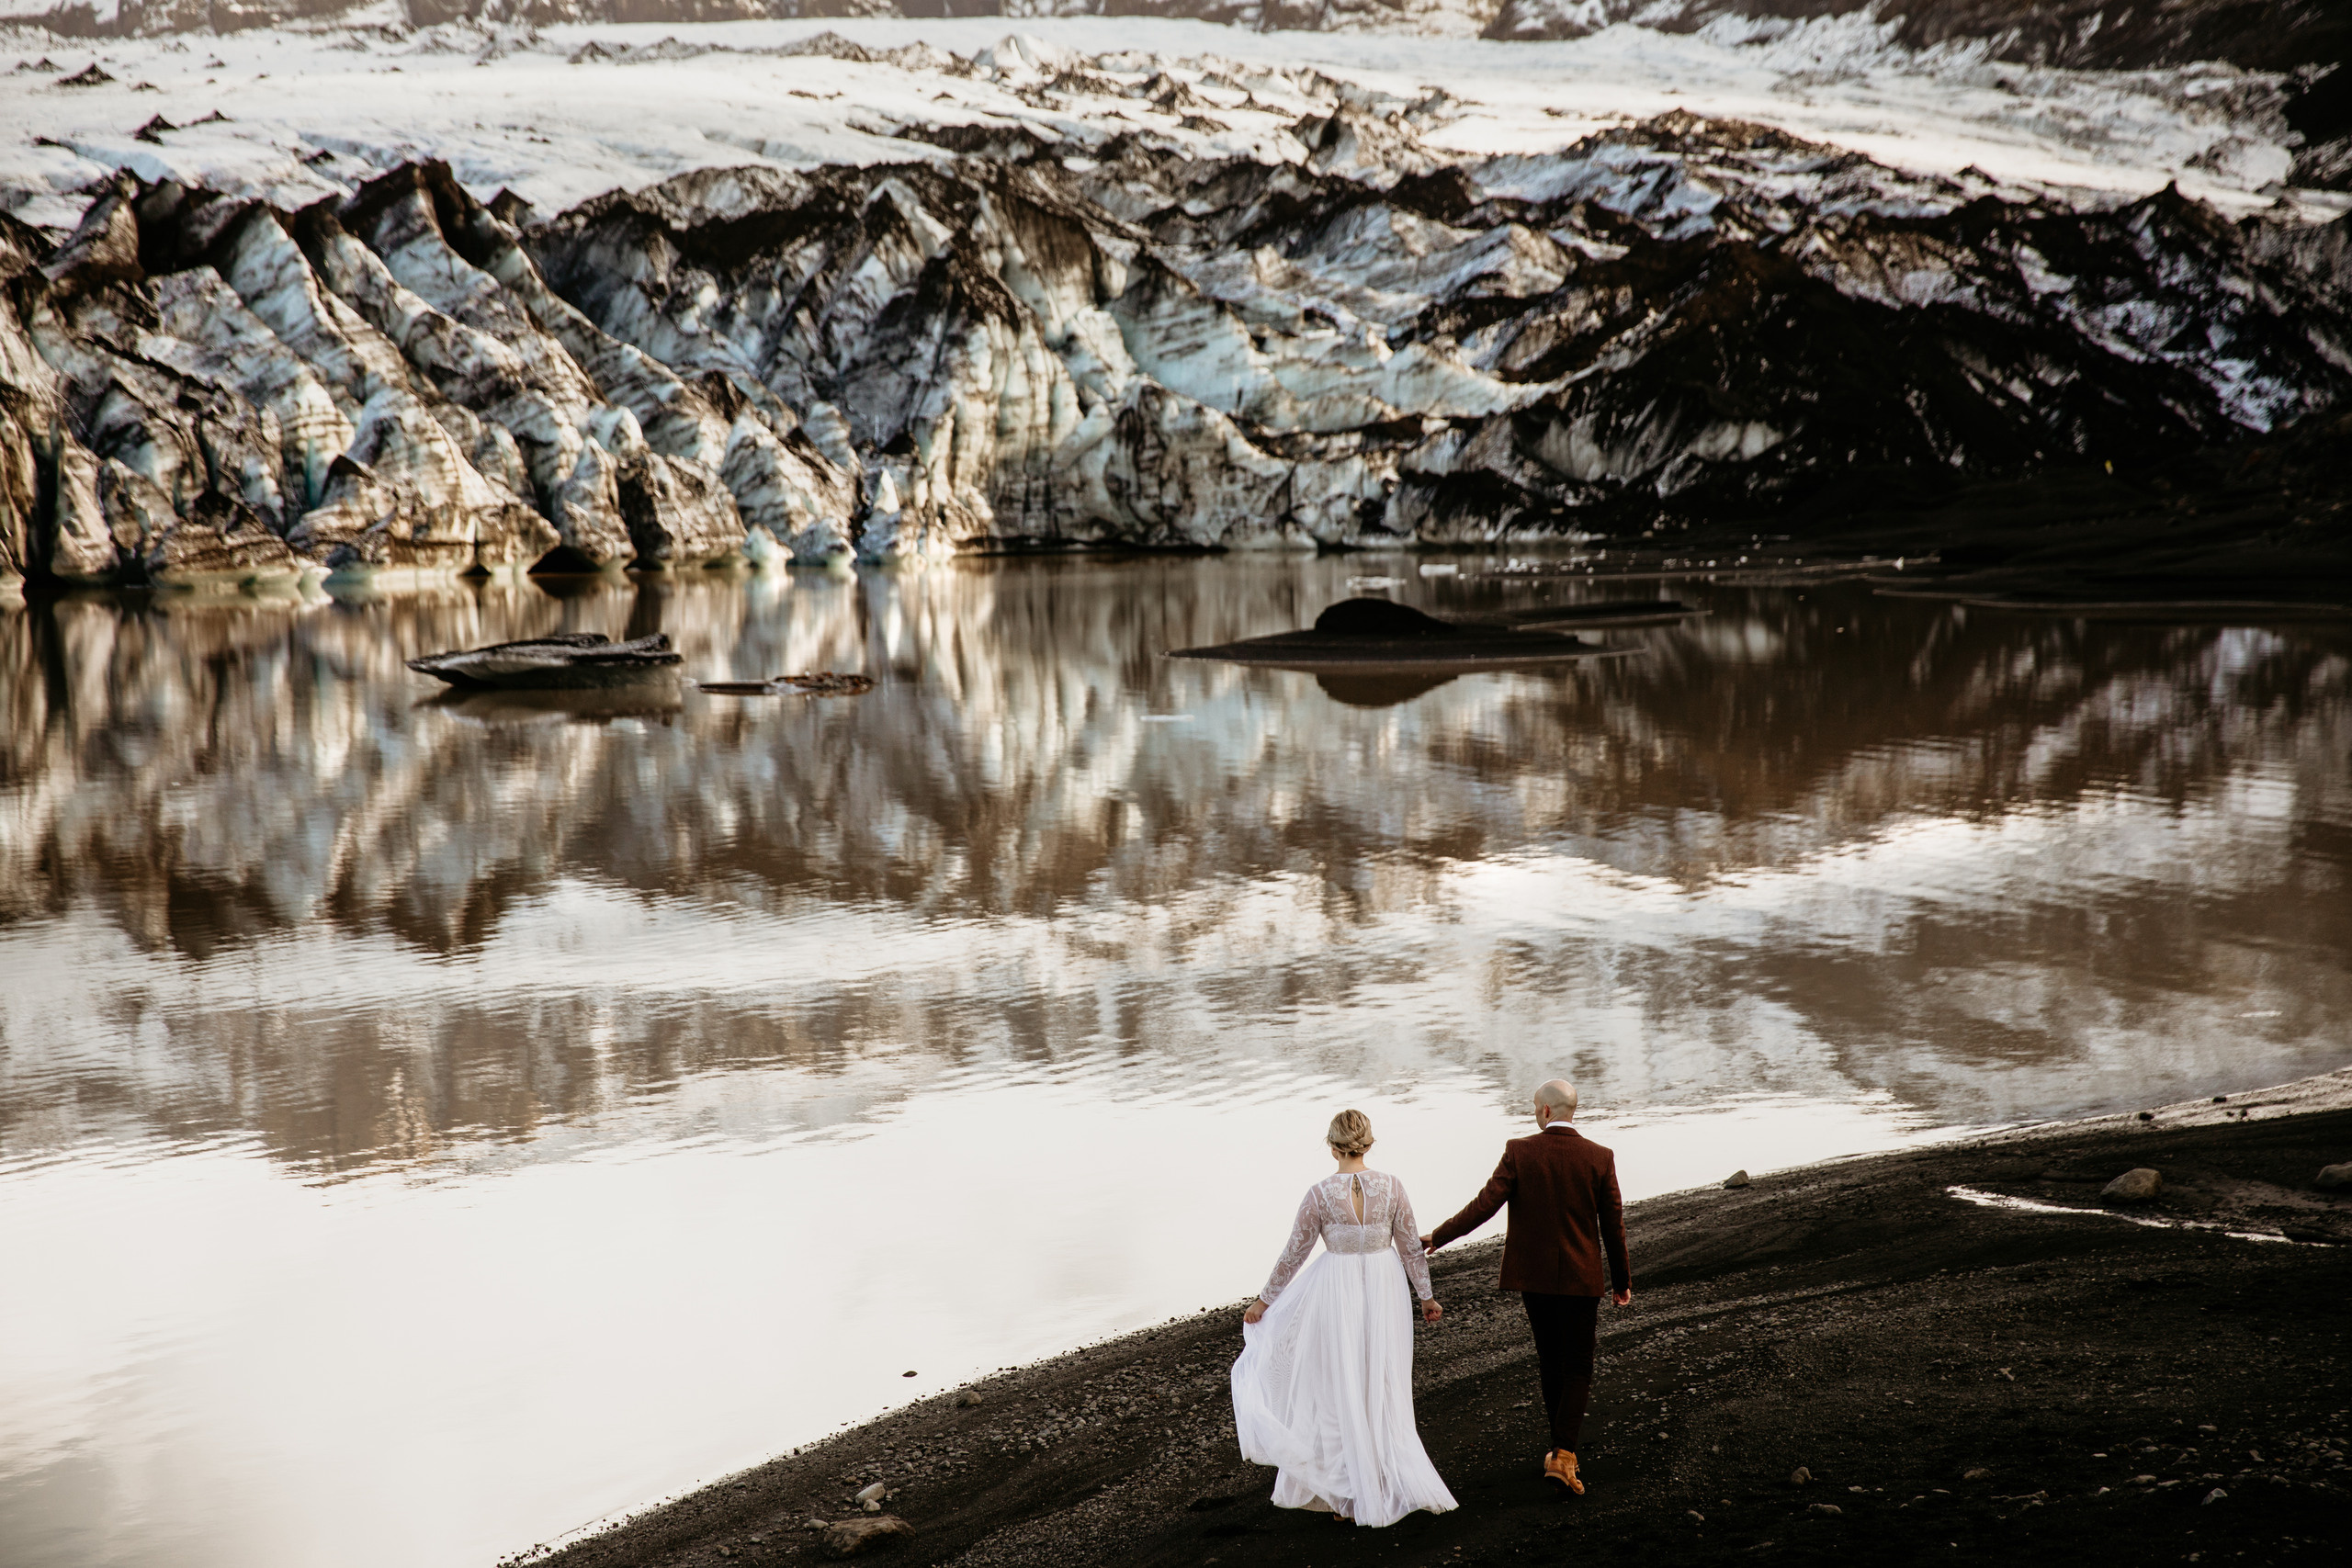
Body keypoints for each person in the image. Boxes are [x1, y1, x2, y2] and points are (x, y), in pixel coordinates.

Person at [1229, 1109, 1458, 1527]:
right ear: (1368, 1144)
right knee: (1383, 1379)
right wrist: (1426, 1296)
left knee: (1340, 1382)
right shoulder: (1392, 1186)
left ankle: (1348, 1489)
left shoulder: (1319, 1194)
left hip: (1337, 1287)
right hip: (1385, 1283)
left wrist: (1264, 1301)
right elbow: (1409, 1245)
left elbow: (1293, 1253)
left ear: (1332, 1147)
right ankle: (1384, 1480)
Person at [1420, 1078, 1631, 1497]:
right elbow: (1613, 1224)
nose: (1535, 1113)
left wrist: (1437, 1237)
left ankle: (1559, 1451)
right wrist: (1621, 1281)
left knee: (1551, 1360)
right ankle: (1564, 1454)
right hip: (1581, 1278)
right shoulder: (1600, 1157)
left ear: (1548, 1112)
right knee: (1578, 1366)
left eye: (1536, 1107)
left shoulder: (1520, 1151)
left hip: (1533, 1279)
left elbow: (1485, 1205)